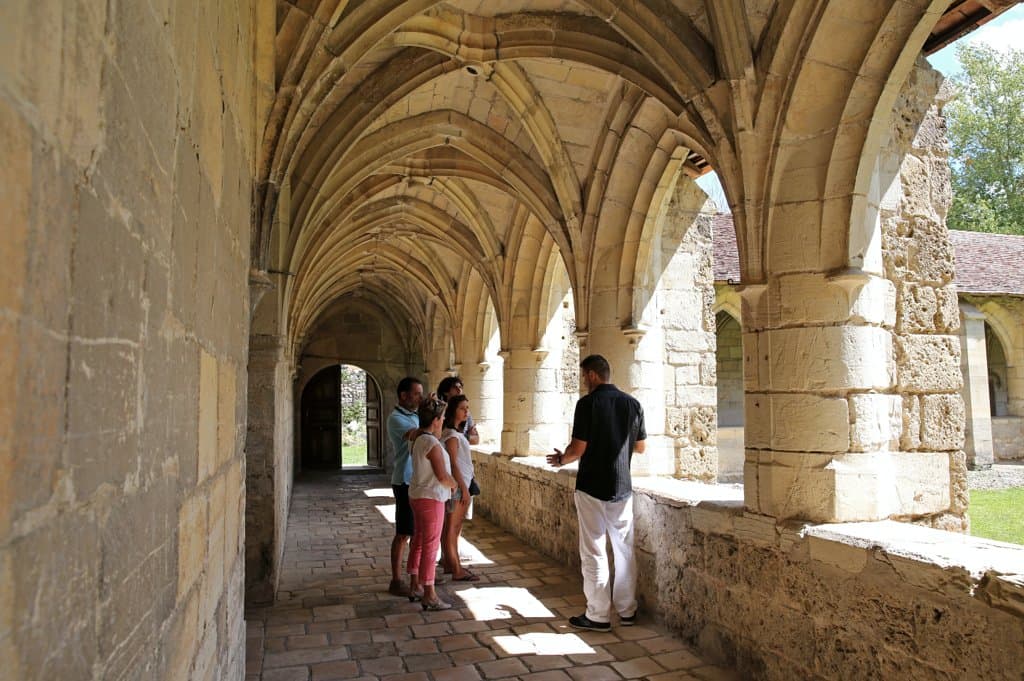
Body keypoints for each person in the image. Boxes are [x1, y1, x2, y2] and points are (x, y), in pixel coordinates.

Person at [547, 354, 646, 630]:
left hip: (592, 486)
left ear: (592, 375)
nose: (583, 382)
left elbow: (578, 448)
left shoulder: (587, 404)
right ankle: (627, 611)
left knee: (594, 550)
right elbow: (640, 447)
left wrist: (561, 460)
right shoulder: (633, 404)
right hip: (622, 488)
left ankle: (598, 614)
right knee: (624, 550)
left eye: (583, 376)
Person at [406, 397, 457, 610]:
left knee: (418, 540)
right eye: (443, 417)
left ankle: (414, 584)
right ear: (436, 420)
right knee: (430, 545)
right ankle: (430, 593)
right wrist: (455, 485)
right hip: (431, 498)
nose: (444, 421)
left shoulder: (418, 439)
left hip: (417, 495)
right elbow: (442, 476)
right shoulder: (432, 444)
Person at [386, 376, 423, 597]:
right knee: (403, 532)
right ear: (404, 395)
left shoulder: (417, 415)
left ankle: (416, 576)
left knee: (418, 532)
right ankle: (396, 579)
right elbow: (419, 435)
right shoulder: (396, 418)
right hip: (404, 480)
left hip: (419, 480)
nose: (419, 397)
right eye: (416, 394)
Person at [440, 394, 479, 581]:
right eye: (462, 408)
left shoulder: (454, 433)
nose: (466, 411)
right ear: (453, 411)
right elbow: (454, 464)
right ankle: (456, 569)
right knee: (452, 529)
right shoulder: (451, 435)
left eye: (467, 408)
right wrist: (463, 488)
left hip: (460, 485)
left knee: (453, 528)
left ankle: (450, 564)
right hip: (457, 487)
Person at [436, 376, 479, 445]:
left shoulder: (466, 412)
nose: (459, 390)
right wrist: (464, 436)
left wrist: (461, 437)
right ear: (445, 392)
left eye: (460, 387)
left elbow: (476, 440)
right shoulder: (439, 411)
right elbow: (438, 436)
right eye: (455, 387)